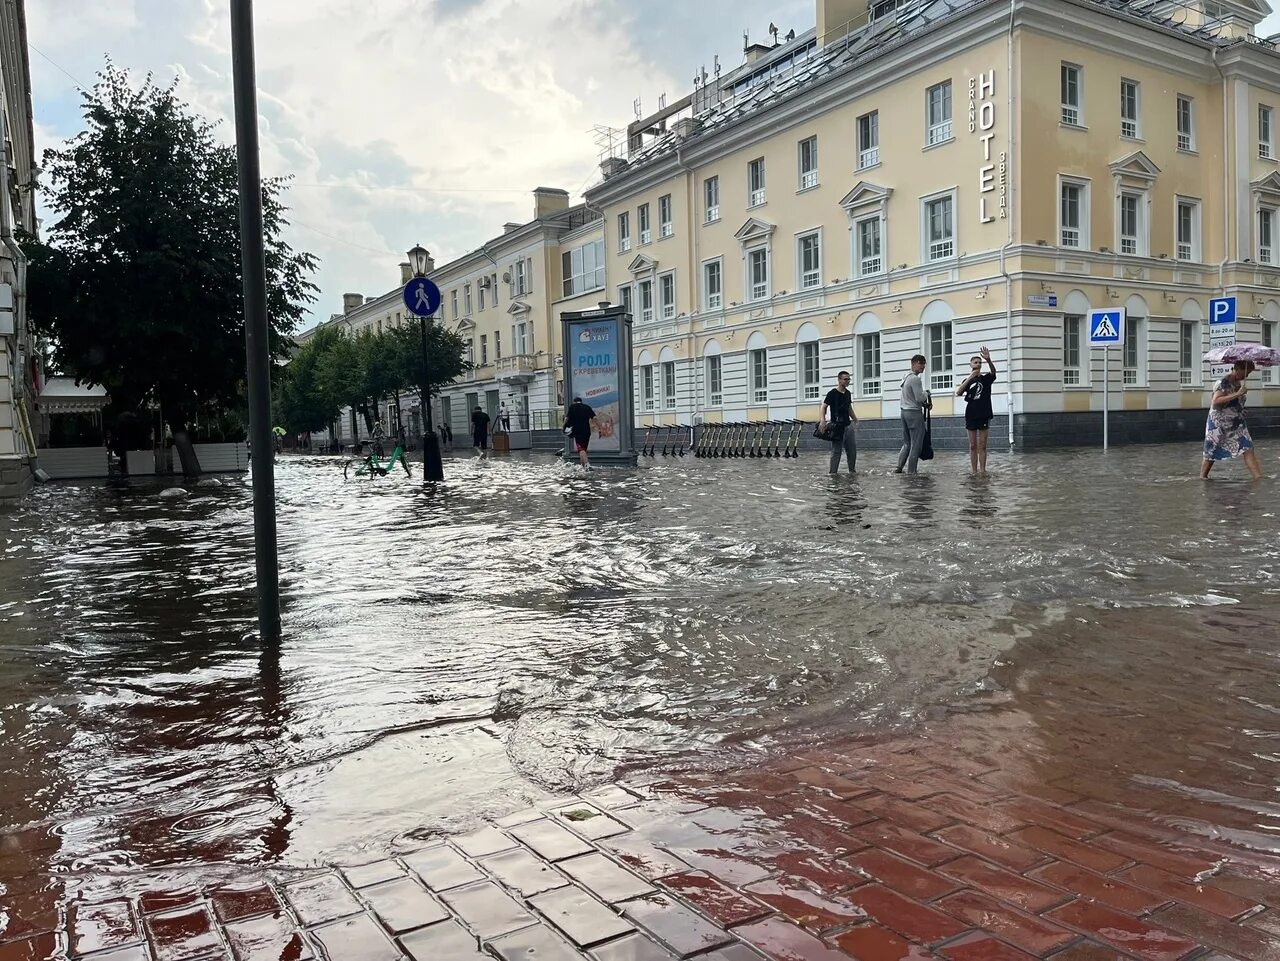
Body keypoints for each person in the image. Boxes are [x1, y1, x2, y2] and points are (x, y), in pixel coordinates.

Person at [1202, 361, 1263, 480]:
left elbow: (1233, 404)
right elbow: (1216, 401)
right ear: (1237, 369)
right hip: (1219, 423)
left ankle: (1258, 478)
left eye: (1249, 373)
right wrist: (1238, 394)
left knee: (1247, 447)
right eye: (1246, 372)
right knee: (1212, 450)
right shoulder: (1223, 382)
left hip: (1236, 422)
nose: (1247, 376)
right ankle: (1203, 477)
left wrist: (1242, 410)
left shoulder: (1238, 383)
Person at [956, 346, 997, 473]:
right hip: (971, 414)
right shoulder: (967, 380)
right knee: (973, 445)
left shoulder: (986, 379)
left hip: (984, 413)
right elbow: (958, 392)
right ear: (971, 365)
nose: (978, 364)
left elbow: (994, 373)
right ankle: (974, 471)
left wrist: (989, 360)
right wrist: (970, 377)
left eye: (979, 362)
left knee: (982, 445)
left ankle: (983, 471)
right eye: (975, 362)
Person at [896, 354, 931, 474]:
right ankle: (912, 472)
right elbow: (919, 397)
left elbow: (911, 397)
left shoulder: (905, 377)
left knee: (907, 442)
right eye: (920, 363)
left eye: (924, 363)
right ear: (913, 364)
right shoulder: (915, 379)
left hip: (904, 412)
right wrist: (927, 393)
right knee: (916, 444)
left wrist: (923, 404)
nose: (923, 366)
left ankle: (899, 468)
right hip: (914, 414)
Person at [820, 370, 857, 474]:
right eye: (845, 379)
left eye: (849, 379)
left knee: (852, 451)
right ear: (839, 380)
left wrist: (855, 419)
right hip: (836, 427)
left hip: (848, 426)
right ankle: (832, 474)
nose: (848, 381)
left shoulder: (848, 393)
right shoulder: (832, 393)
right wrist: (823, 421)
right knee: (836, 452)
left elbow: (849, 408)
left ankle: (852, 472)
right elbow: (823, 407)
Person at [564, 396, 597, 469]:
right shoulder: (587, 407)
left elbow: (566, 418)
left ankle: (587, 465)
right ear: (581, 401)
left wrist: (563, 427)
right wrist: (595, 426)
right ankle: (583, 467)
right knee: (584, 449)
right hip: (587, 431)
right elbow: (594, 418)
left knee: (581, 449)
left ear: (574, 402)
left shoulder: (572, 407)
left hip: (578, 431)